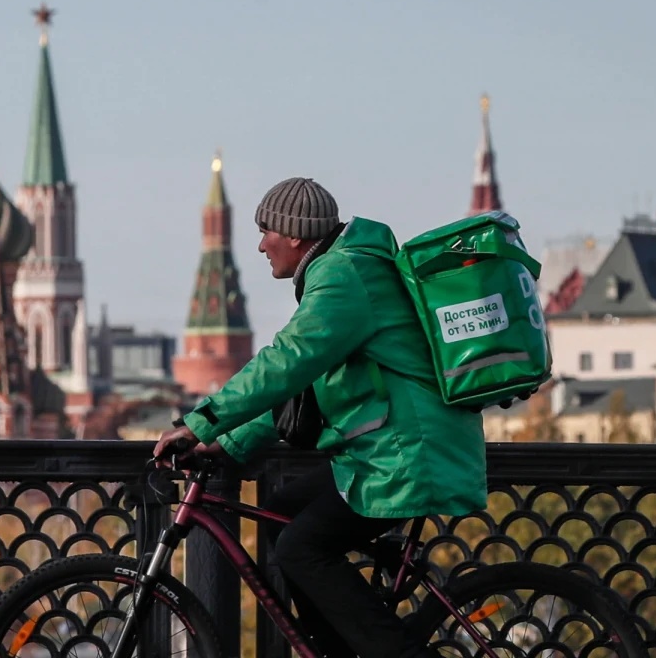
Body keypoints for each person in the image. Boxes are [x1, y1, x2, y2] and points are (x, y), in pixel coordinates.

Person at [154, 177, 488, 658]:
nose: (262, 244)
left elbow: (286, 362)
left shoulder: (342, 277)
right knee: (280, 516)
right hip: (386, 455)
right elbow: (300, 391)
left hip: (407, 458)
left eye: (267, 230)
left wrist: (200, 422)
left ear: (294, 234)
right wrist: (228, 442)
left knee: (299, 548)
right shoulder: (342, 270)